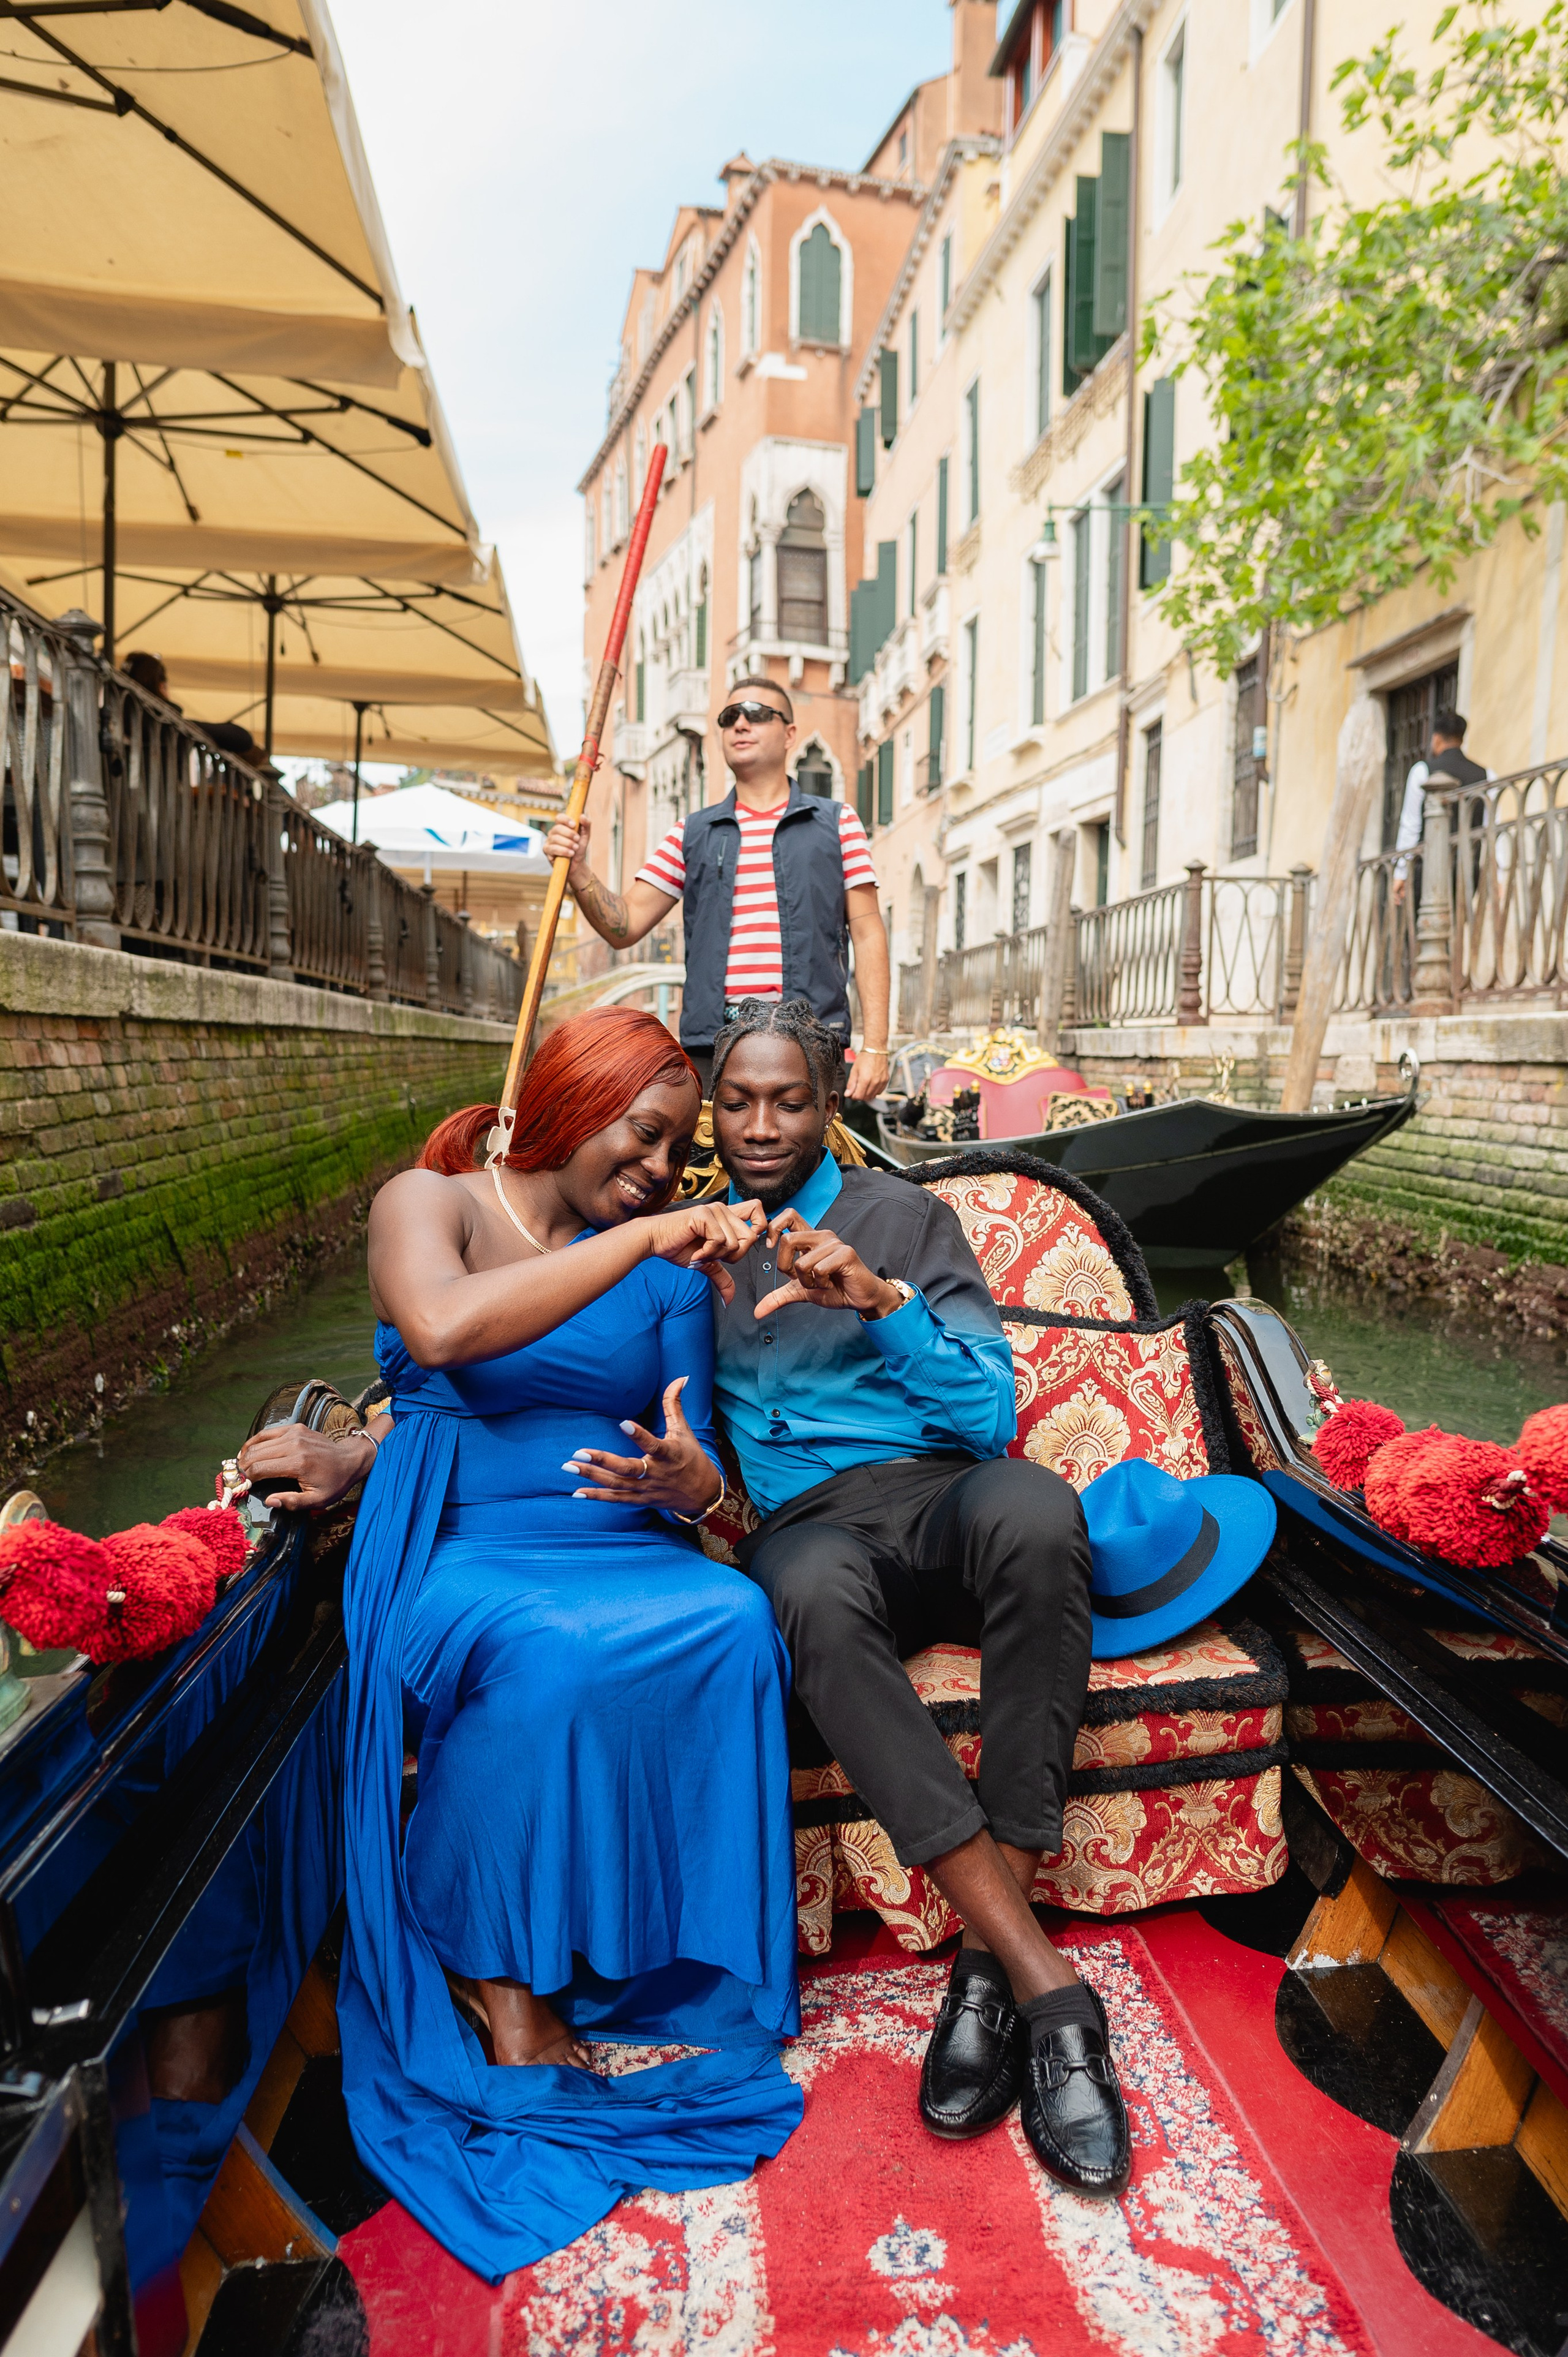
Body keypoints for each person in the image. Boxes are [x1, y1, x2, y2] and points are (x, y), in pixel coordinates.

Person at [236, 1007, 801, 2280]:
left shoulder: (664, 1280)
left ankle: (668, 1954)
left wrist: (691, 1481)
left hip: (624, 1540)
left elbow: (698, 1456)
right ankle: (501, 1977)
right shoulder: (426, 1203)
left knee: (728, 1617)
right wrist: (355, 1451)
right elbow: (439, 1337)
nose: (659, 1171)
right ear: (566, 1098)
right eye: (644, 1137)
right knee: (548, 1652)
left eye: (675, 1152)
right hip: (463, 1544)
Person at [570, 997, 1132, 2197]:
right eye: (740, 1101)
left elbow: (992, 1422)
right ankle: (1037, 1984)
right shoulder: (678, 1245)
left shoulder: (905, 1216)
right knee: (803, 1587)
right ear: (713, 1113)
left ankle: (989, 1965)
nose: (763, 1124)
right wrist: (690, 1481)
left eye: (790, 1100)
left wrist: (879, 1306)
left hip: (941, 1493)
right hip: (810, 1528)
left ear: (831, 1107)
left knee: (1036, 1506)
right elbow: (684, 1450)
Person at [544, 678, 891, 1101]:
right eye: (729, 717)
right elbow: (626, 925)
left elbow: (869, 933)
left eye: (758, 713)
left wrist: (876, 1048)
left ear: (790, 735)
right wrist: (579, 870)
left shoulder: (838, 824)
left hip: (812, 1044)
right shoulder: (690, 834)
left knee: (813, 1169)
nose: (741, 724)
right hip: (714, 1048)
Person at [1393, 707, 1491, 897]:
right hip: (1467, 872)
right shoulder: (1486, 775)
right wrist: (1500, 875)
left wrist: (1401, 872)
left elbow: (1410, 825)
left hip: (1426, 872)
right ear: (1462, 740)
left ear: (1436, 739)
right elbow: (1492, 827)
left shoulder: (1422, 771)